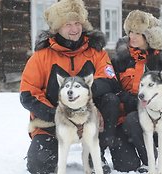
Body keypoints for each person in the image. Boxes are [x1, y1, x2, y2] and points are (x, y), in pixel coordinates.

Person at [19, 0, 120, 173]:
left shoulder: (96, 51)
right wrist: (57, 115)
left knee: (111, 99)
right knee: (39, 166)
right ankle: (55, 151)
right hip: (52, 120)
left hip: (90, 118)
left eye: (77, 23)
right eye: (68, 24)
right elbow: (28, 94)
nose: (74, 29)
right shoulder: (41, 56)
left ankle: (95, 153)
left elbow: (110, 78)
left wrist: (87, 95)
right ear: (57, 28)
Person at [109, 10, 162, 172]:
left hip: (149, 122)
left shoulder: (160, 65)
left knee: (133, 119)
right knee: (125, 166)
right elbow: (110, 87)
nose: (133, 37)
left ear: (149, 36)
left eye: (138, 33)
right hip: (120, 120)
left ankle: (148, 159)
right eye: (130, 32)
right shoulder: (119, 60)